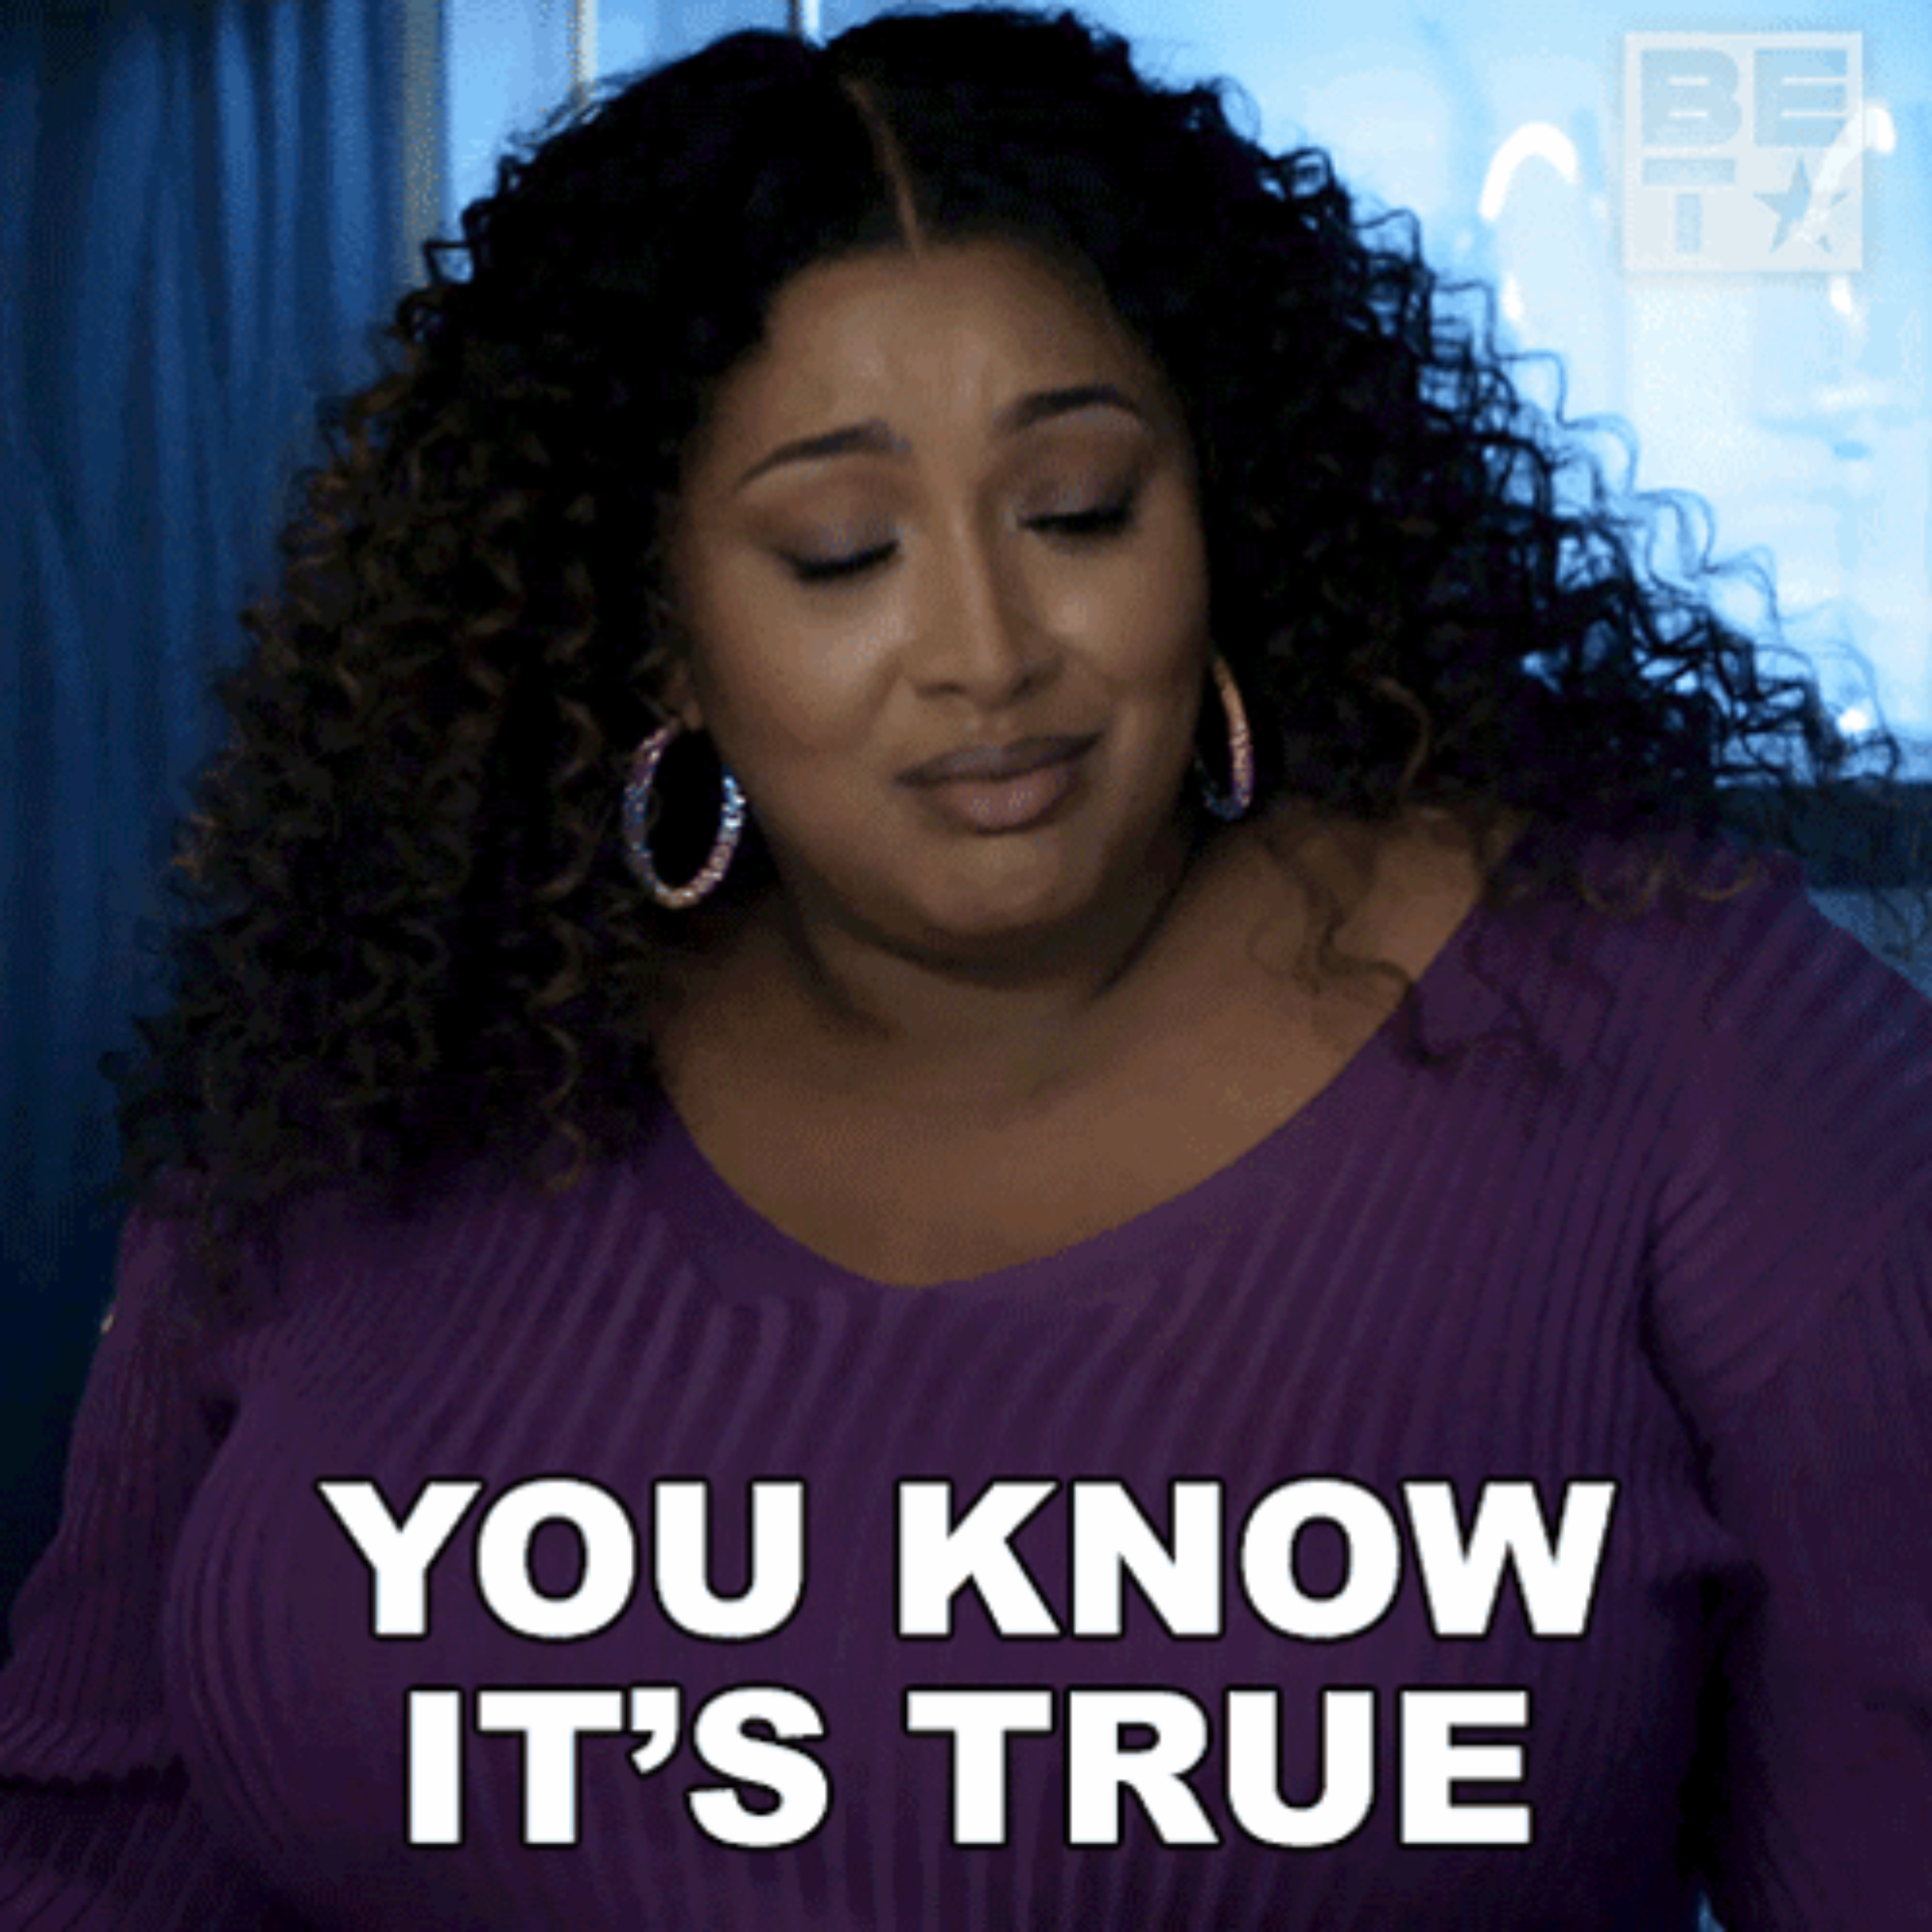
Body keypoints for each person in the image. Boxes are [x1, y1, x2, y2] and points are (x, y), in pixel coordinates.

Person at [2, 5, 1927, 1927]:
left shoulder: (1697, 1053)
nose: (989, 651)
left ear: (1222, 513)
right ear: (662, 633)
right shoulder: (370, 1075)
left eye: (1080, 511)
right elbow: (86, 1856)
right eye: (842, 551)